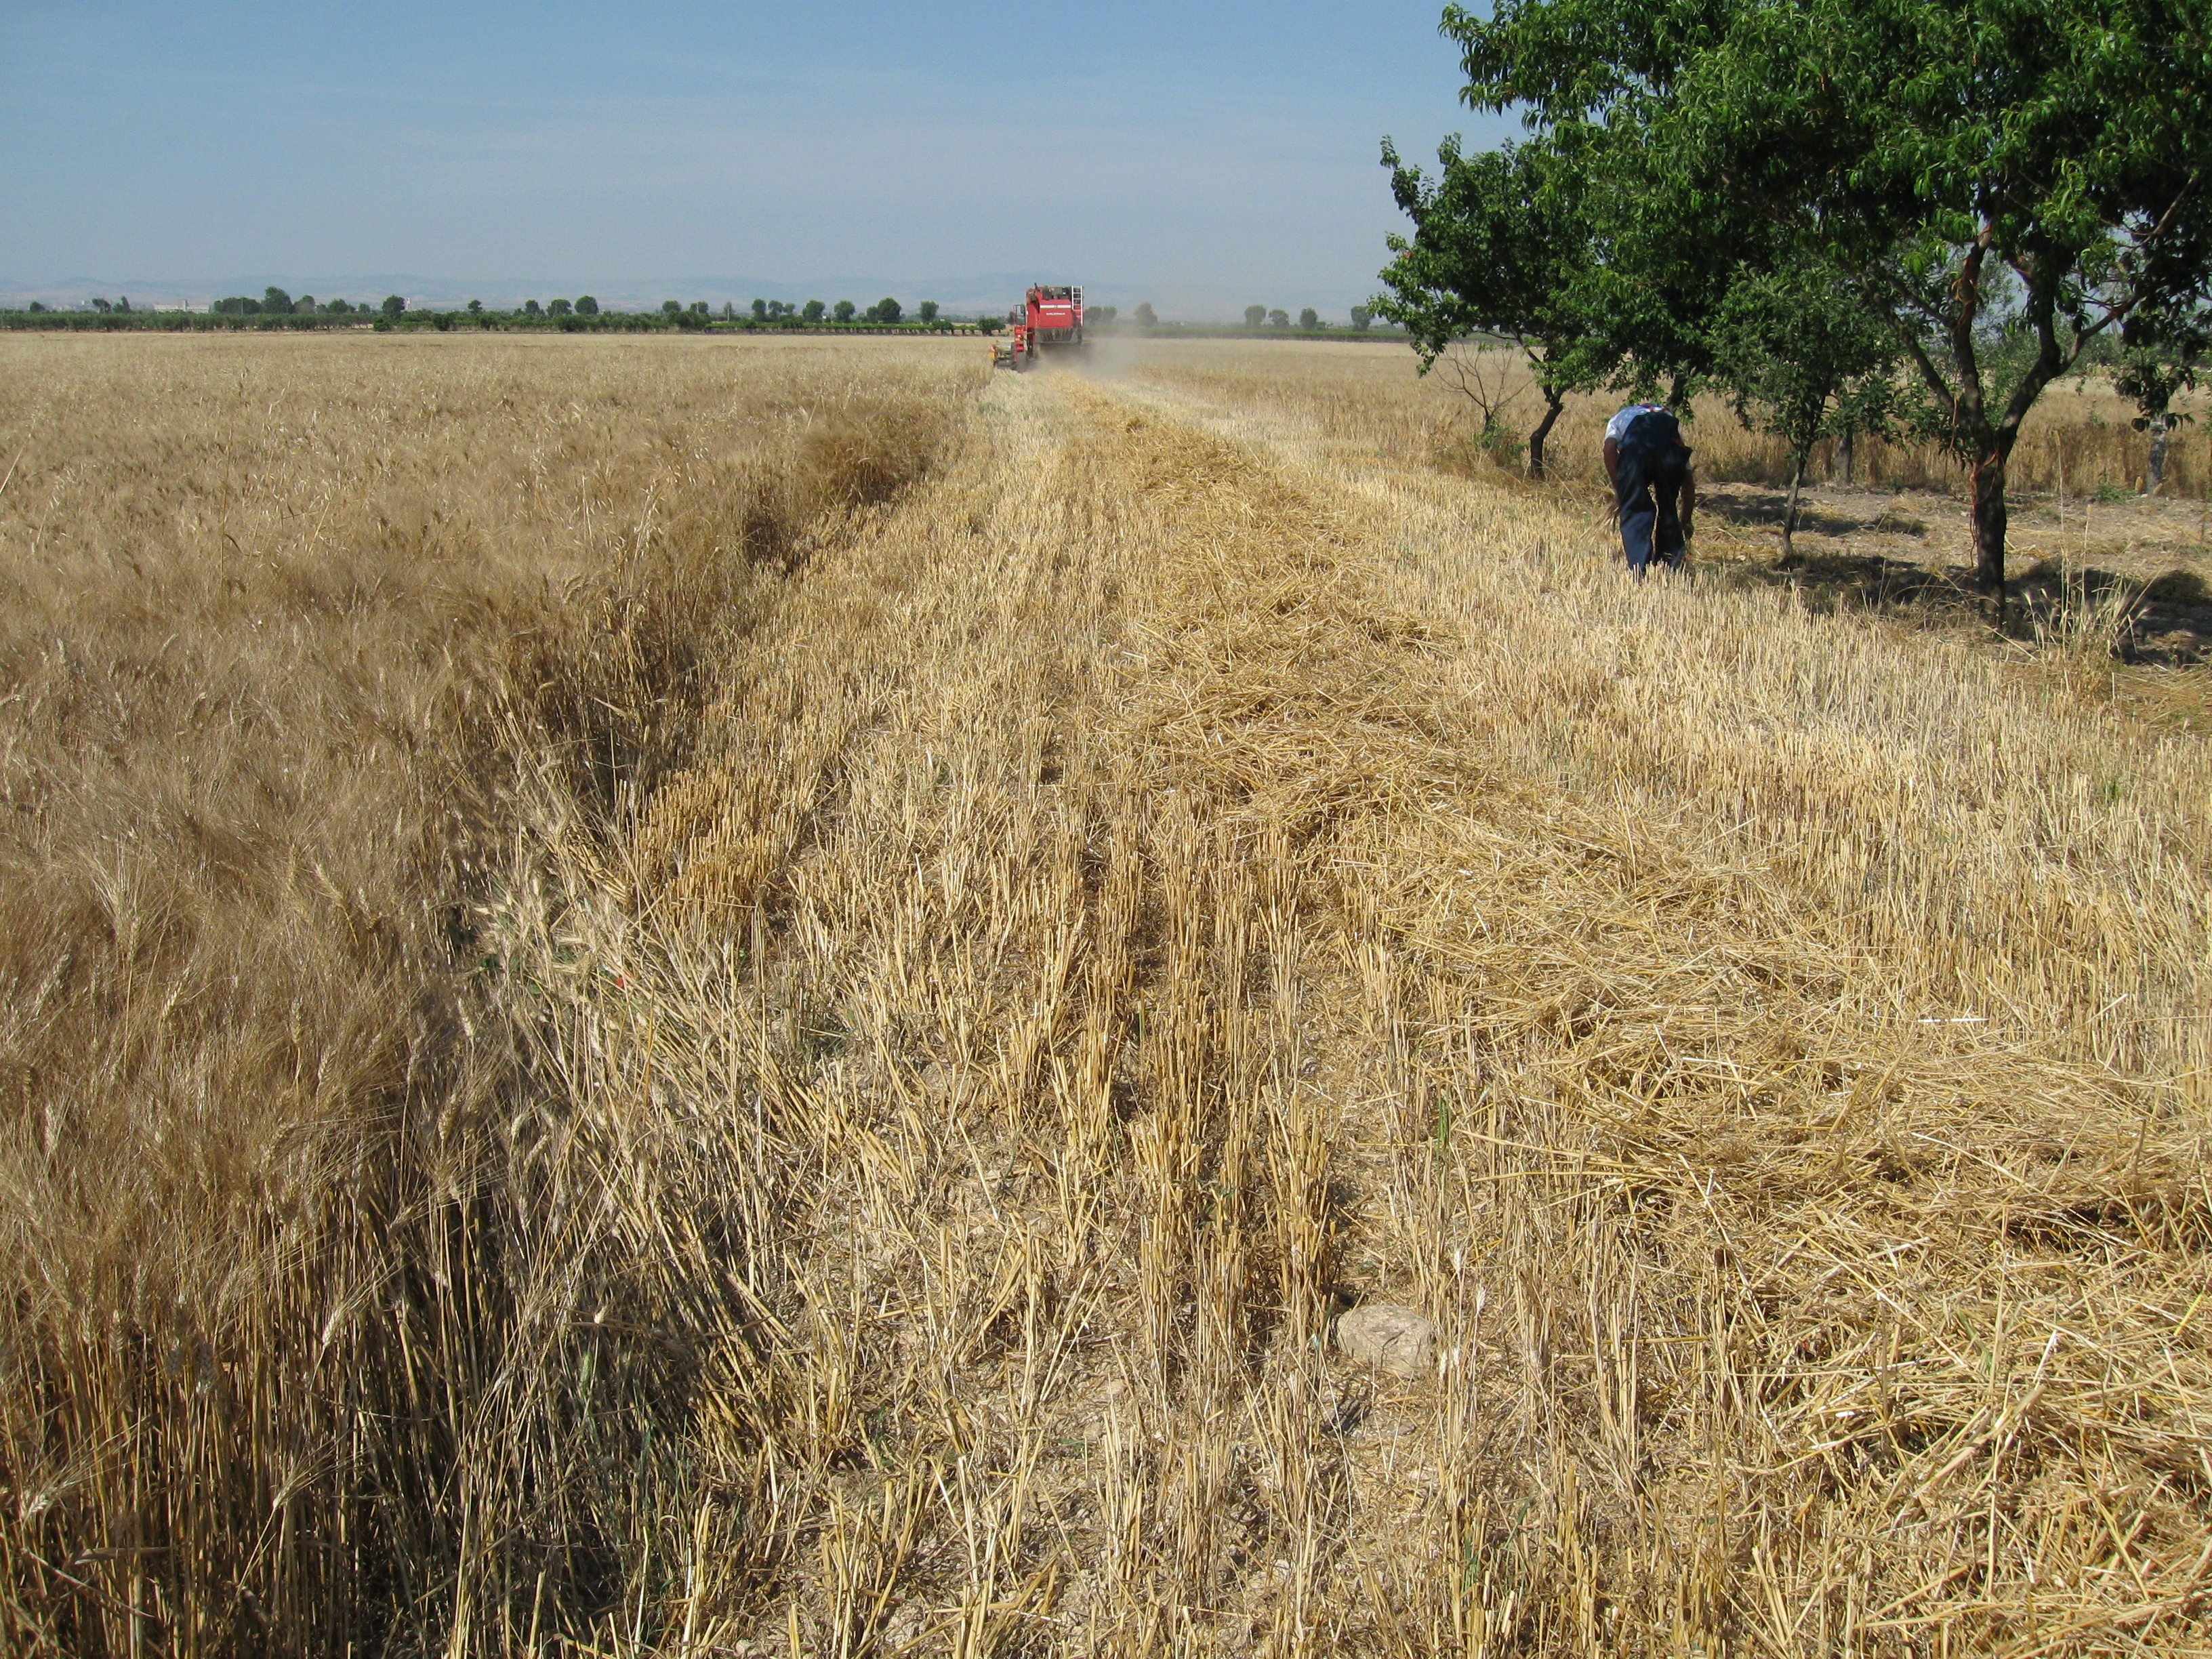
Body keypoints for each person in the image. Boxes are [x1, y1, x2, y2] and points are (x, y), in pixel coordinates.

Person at [1603, 402, 1696, 575]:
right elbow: (1688, 482)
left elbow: (1609, 449)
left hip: (1636, 456)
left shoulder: (1620, 417)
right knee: (1669, 510)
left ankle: (1638, 569)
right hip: (1671, 456)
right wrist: (1686, 520)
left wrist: (1621, 489)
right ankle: (1669, 567)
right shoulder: (1669, 420)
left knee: (1635, 509)